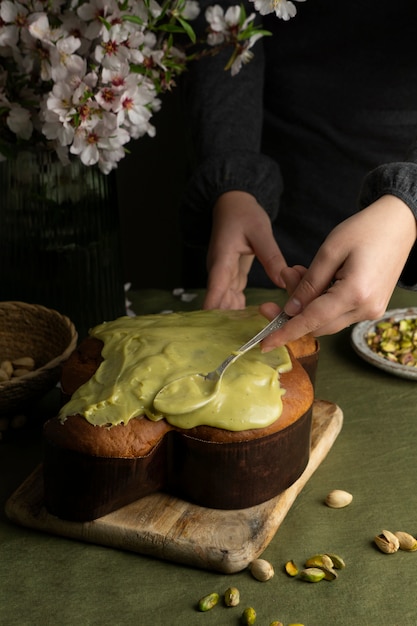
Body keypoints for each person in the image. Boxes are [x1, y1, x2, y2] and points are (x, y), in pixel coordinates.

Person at [179, 0, 417, 350]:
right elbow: (222, 15)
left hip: (402, 227)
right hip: (261, 191)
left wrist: (410, 203)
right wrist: (231, 178)